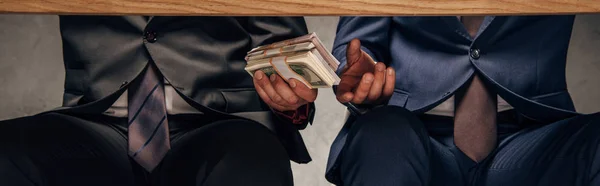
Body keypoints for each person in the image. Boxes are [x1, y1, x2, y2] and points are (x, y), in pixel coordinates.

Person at [0, 16, 318, 186]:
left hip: (221, 122)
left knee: (253, 163)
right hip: (96, 119)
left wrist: (290, 96)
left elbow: (283, 45)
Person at [326, 16, 600, 186]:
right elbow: (357, 46)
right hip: (413, 138)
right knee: (381, 134)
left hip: (533, 140)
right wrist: (367, 72)